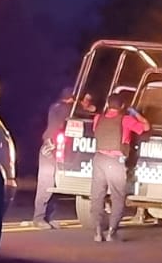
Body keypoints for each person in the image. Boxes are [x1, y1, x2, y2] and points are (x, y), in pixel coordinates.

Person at [89, 92, 148, 242]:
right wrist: (135, 113)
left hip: (99, 159)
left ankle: (97, 232)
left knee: (97, 196)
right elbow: (146, 127)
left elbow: (96, 131)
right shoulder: (126, 120)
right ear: (122, 106)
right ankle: (111, 232)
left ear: (108, 104)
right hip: (115, 161)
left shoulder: (98, 118)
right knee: (117, 197)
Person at [32, 86, 76, 228]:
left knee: (53, 184)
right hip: (51, 148)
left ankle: (47, 217)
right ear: (71, 97)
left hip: (51, 147)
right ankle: (39, 218)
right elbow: (90, 111)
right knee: (47, 183)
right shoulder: (66, 108)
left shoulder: (55, 107)